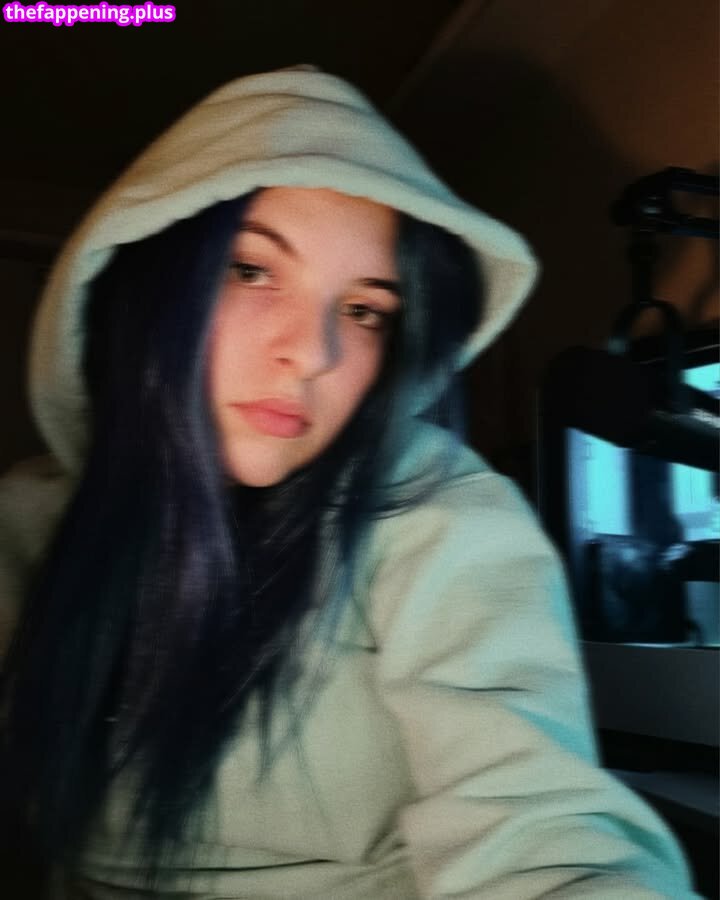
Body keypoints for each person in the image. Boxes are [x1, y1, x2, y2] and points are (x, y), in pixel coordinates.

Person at [0, 66, 697, 899]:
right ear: (145, 286)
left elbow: (536, 819)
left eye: (365, 311)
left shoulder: (431, 510)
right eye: (250, 270)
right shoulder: (29, 524)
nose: (313, 353)